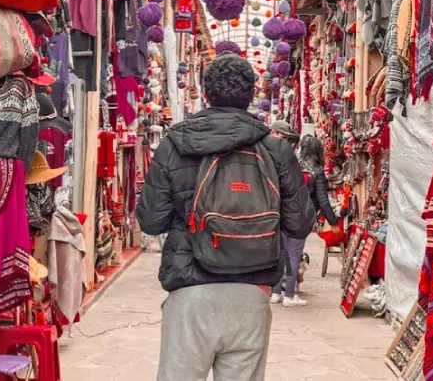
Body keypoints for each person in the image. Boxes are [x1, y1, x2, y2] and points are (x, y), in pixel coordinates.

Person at [138, 54, 315, 381]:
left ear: (206, 92)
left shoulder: (175, 144)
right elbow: (300, 223)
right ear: (251, 96)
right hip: (252, 291)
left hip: (189, 287)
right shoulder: (275, 150)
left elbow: (151, 221)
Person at [272, 134, 340, 307]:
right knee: (294, 254)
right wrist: (333, 222)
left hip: (284, 213)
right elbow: (323, 200)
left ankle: (276, 292)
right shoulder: (317, 172)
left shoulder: (293, 166)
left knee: (282, 253)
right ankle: (289, 294)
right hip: (301, 217)